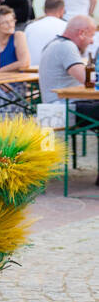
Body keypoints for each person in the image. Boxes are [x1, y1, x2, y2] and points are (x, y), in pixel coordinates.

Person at [39, 16, 99, 184]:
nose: (92, 41)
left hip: (53, 106)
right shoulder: (67, 47)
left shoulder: (55, 44)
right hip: (61, 108)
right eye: (91, 35)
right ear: (81, 33)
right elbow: (88, 81)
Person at [0, 5, 30, 117]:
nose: (11, 24)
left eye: (12, 20)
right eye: (6, 22)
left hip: (14, 85)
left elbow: (24, 62)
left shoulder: (18, 36)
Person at [25, 0, 68, 67]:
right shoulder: (66, 26)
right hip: (56, 71)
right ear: (61, 10)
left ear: (44, 10)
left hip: (31, 71)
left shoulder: (30, 27)